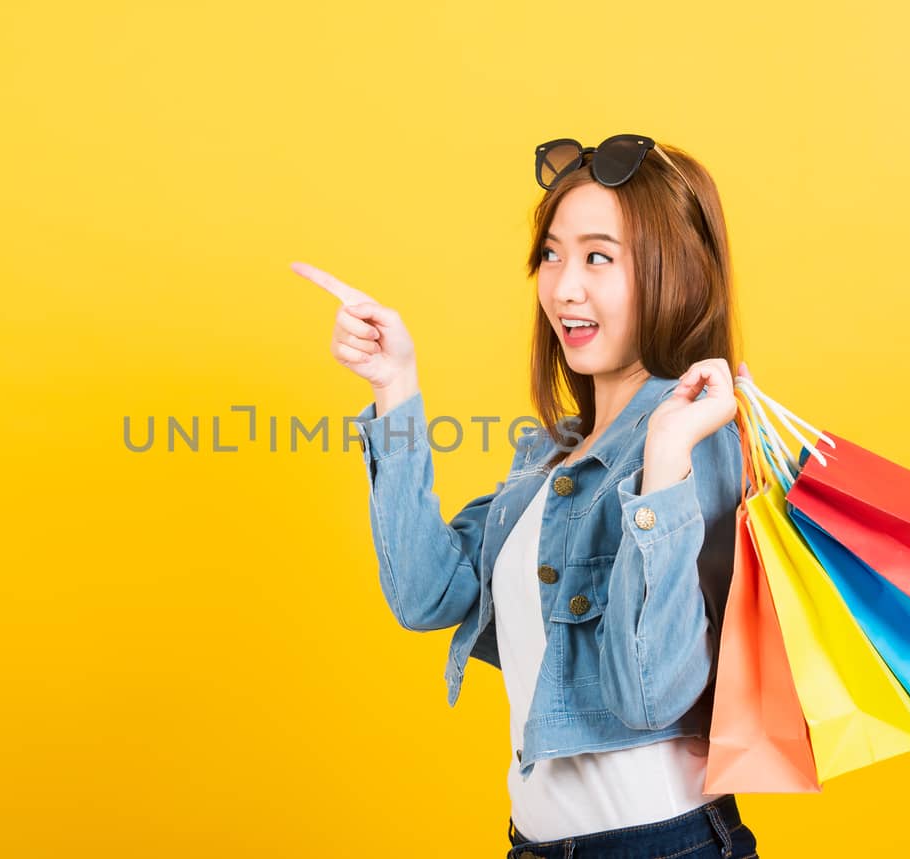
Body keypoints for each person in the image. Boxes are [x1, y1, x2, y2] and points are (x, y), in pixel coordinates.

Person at [294, 134, 758, 859]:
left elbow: (650, 694)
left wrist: (664, 458)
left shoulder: (697, 432)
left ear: (675, 272)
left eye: (598, 256)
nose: (563, 286)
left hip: (662, 846)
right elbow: (425, 594)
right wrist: (396, 388)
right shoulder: (549, 455)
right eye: (551, 254)